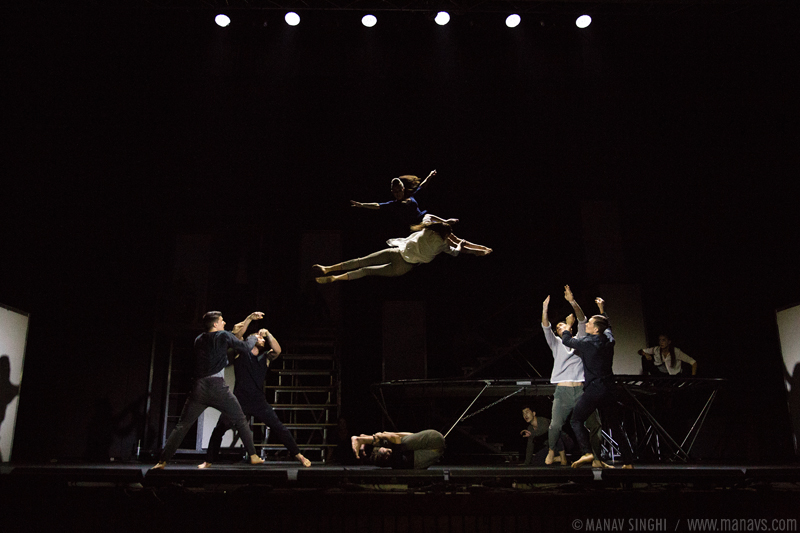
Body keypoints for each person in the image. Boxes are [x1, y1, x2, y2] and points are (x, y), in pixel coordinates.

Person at [151, 311, 265, 470]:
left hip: (199, 388)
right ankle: (253, 455)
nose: (224, 322)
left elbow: (226, 339)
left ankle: (162, 461)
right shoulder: (223, 335)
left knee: (182, 425)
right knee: (240, 419)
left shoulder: (199, 339)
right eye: (222, 320)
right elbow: (245, 347)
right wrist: (253, 338)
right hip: (217, 387)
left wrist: (248, 319)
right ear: (215, 324)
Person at [198, 322, 311, 469]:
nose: (261, 338)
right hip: (238, 400)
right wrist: (250, 321)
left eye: (262, 338)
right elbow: (237, 336)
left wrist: (268, 334)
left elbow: (277, 350)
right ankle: (208, 460)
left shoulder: (265, 357)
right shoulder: (241, 353)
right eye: (258, 337)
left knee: (278, 427)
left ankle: (298, 455)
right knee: (220, 428)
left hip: (258, 401)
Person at [559, 296, 634, 469]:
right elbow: (609, 328)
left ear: (596, 329)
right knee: (615, 426)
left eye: (590, 323)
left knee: (576, 420)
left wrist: (568, 326)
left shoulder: (587, 342)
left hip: (594, 389)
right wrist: (602, 310)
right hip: (609, 389)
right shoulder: (609, 339)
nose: (587, 324)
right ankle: (628, 462)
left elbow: (567, 341)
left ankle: (587, 452)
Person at [312, 214, 491, 283]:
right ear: (445, 236)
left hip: (396, 252)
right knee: (366, 271)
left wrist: (445, 221)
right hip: (403, 267)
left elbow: (428, 216)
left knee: (361, 261)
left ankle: (328, 269)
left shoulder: (427, 230)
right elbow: (458, 250)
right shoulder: (444, 245)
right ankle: (335, 278)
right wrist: (476, 250)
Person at [541, 288, 606, 467]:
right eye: (558, 327)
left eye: (562, 325)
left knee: (594, 424)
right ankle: (552, 450)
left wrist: (572, 301)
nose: (559, 327)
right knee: (555, 425)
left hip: (581, 390)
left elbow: (582, 320)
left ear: (569, 327)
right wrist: (544, 309)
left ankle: (597, 458)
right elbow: (546, 327)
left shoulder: (580, 340)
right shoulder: (556, 343)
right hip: (563, 392)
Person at [349, 170, 439, 229]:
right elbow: (377, 205)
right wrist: (362, 205)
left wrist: (430, 175)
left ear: (403, 189)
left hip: (423, 219)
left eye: (399, 190)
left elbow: (422, 186)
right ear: (392, 192)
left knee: (430, 218)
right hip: (415, 227)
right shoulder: (394, 205)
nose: (398, 194)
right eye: (395, 192)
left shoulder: (411, 196)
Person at [350, 429, 445, 469]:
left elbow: (410, 436)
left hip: (434, 449)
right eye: (384, 450)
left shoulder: (395, 462)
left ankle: (365, 439)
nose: (385, 450)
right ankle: (362, 439)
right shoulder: (396, 458)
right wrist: (380, 435)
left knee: (402, 440)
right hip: (434, 441)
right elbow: (396, 438)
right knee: (394, 441)